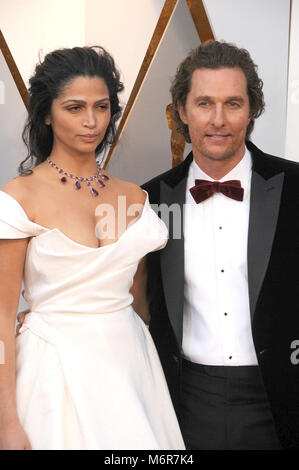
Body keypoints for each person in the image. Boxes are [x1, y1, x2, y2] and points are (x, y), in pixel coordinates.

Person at [0, 46, 185, 450]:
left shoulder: (134, 197)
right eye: (74, 108)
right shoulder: (20, 197)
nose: (91, 121)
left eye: (102, 107)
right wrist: (6, 421)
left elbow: (140, 303)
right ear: (46, 113)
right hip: (52, 375)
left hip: (131, 368)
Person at [143, 40, 299, 450]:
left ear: (252, 110)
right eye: (204, 103)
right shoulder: (150, 201)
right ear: (181, 110)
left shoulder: (297, 188)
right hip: (185, 401)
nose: (218, 120)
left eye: (232, 103)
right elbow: (129, 299)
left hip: (282, 398)